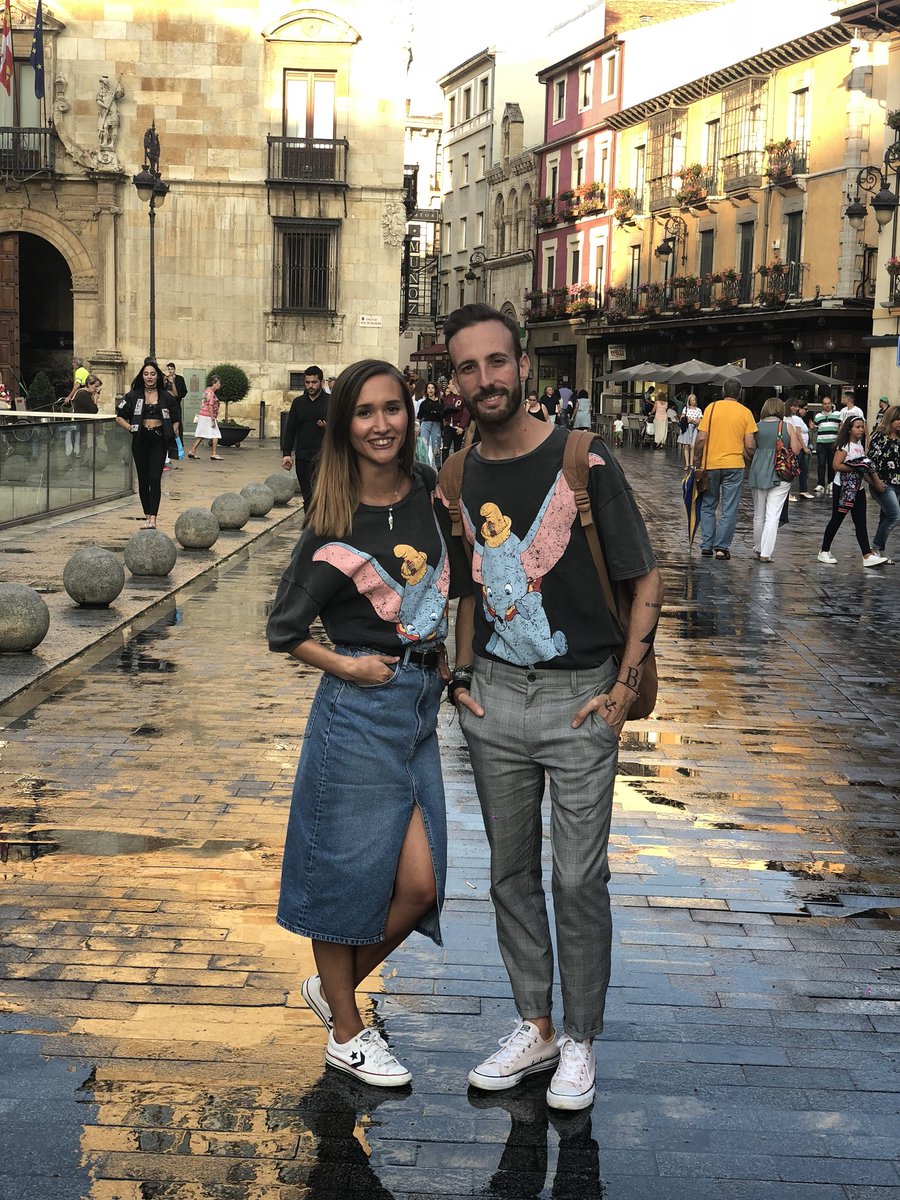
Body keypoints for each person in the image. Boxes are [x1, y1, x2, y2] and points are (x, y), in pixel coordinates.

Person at [440, 303, 663, 1113]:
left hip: (580, 700)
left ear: (523, 367)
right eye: (469, 367)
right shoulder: (459, 473)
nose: (485, 379)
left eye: (497, 362)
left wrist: (621, 687)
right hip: (494, 700)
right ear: (455, 379)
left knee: (577, 877)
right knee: (508, 874)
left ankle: (580, 1040)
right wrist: (457, 678)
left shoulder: (584, 459)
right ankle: (534, 1026)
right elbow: (462, 586)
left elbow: (645, 582)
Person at [266, 358, 466, 1087]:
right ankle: (347, 1033)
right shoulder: (333, 517)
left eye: (393, 409)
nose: (382, 424)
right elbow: (285, 627)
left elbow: (463, 585)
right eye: (366, 412)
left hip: (418, 707)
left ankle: (333, 991)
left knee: (419, 886)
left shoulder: (429, 493)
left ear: (408, 418)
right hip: (356, 708)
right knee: (342, 874)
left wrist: (457, 666)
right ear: (344, 425)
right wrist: (348, 666)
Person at [692, 380, 757, 560]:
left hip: (711, 464)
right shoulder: (746, 412)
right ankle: (721, 548)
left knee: (708, 505)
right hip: (734, 465)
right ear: (740, 393)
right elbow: (750, 445)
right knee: (729, 508)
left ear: (722, 391)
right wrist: (752, 458)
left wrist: (697, 459)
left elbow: (701, 439)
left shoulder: (711, 409)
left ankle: (706, 545)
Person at [817, 416, 887, 568]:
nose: (861, 430)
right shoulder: (845, 446)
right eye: (857, 427)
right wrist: (856, 467)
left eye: (862, 427)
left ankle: (866, 554)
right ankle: (824, 550)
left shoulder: (860, 446)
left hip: (858, 488)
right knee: (837, 518)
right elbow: (836, 465)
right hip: (843, 488)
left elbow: (864, 470)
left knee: (860, 521)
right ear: (849, 429)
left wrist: (872, 482)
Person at [115, 361, 177, 529]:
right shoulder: (133, 395)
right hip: (140, 439)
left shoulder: (166, 396)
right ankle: (147, 516)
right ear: (142, 376)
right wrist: (130, 427)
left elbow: (176, 417)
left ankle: (154, 519)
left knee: (154, 478)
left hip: (158, 439)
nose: (149, 377)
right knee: (143, 479)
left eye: (153, 373)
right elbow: (119, 416)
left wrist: (172, 432)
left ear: (158, 376)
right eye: (146, 374)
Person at [748, 397, 804, 561]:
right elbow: (796, 449)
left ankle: (758, 548)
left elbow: (750, 447)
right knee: (773, 515)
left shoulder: (756, 427)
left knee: (758, 514)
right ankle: (766, 553)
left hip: (758, 471)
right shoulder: (787, 426)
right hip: (781, 472)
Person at [281, 366, 328, 507]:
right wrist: (286, 454)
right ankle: (310, 527)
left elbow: (342, 429)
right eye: (307, 383)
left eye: (314, 382)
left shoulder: (331, 402)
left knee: (321, 495)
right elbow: (290, 429)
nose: (310, 386)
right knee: (307, 496)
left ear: (322, 382)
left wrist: (328, 427)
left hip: (324, 457)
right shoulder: (298, 403)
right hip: (303, 457)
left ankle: (321, 526)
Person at [868, 404, 900, 562]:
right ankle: (875, 547)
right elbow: (870, 462)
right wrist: (875, 481)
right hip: (882, 482)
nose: (899, 422)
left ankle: (877, 552)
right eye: (897, 419)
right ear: (890, 419)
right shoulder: (880, 436)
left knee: (886, 516)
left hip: (898, 483)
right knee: (894, 515)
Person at [188, 375, 223, 460]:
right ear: (213, 383)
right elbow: (210, 406)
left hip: (203, 415)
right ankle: (214, 453)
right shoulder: (211, 393)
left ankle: (192, 451)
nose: (219, 385)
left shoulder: (207, 390)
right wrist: (212, 418)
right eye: (218, 383)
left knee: (201, 434)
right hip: (208, 416)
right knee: (215, 434)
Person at [813, 395, 841, 493]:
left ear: (832, 404)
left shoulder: (838, 414)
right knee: (821, 463)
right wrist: (813, 428)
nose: (827, 405)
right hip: (821, 442)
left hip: (833, 442)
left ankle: (831, 483)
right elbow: (815, 429)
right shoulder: (818, 416)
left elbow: (841, 426)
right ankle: (820, 484)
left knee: (831, 464)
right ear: (822, 405)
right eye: (825, 404)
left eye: (829, 403)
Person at [417, 381, 444, 466]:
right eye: (429, 388)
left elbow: (443, 416)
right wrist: (416, 428)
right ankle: (424, 467)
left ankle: (438, 467)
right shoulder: (423, 403)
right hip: (425, 424)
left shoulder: (440, 402)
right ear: (426, 390)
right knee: (423, 446)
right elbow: (419, 417)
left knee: (436, 448)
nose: (430, 390)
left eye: (432, 388)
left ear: (435, 389)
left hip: (436, 424)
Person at [677, 393, 702, 469]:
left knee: (693, 446)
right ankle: (687, 464)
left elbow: (700, 421)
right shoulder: (686, 409)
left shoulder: (698, 410)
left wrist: (692, 420)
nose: (692, 402)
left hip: (694, 428)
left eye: (693, 400)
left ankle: (691, 463)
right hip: (687, 428)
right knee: (686, 446)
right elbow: (683, 418)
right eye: (691, 400)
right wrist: (687, 419)